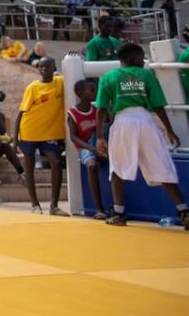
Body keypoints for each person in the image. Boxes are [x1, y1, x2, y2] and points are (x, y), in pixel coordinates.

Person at [95, 42, 188, 228]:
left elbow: (101, 109)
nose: (143, 61)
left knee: (118, 168)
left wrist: (99, 137)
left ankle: (119, 213)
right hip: (145, 121)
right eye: (141, 57)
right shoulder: (146, 75)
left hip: (122, 122)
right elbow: (158, 105)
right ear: (131, 57)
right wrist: (168, 129)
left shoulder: (108, 77)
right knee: (162, 165)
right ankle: (184, 211)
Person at [13, 58, 67, 215]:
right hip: (30, 131)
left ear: (54, 67)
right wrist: (15, 140)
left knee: (56, 163)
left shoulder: (60, 82)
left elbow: (73, 77)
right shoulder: (33, 87)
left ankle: (54, 206)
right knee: (29, 168)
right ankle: (34, 204)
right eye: (41, 66)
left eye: (47, 66)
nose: (44, 69)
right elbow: (20, 114)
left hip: (50, 133)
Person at [67, 78, 108, 220]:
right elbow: (73, 137)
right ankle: (98, 208)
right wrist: (92, 148)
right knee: (91, 166)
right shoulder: (73, 112)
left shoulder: (97, 110)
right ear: (80, 93)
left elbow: (108, 124)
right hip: (86, 147)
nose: (95, 93)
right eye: (92, 90)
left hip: (99, 144)